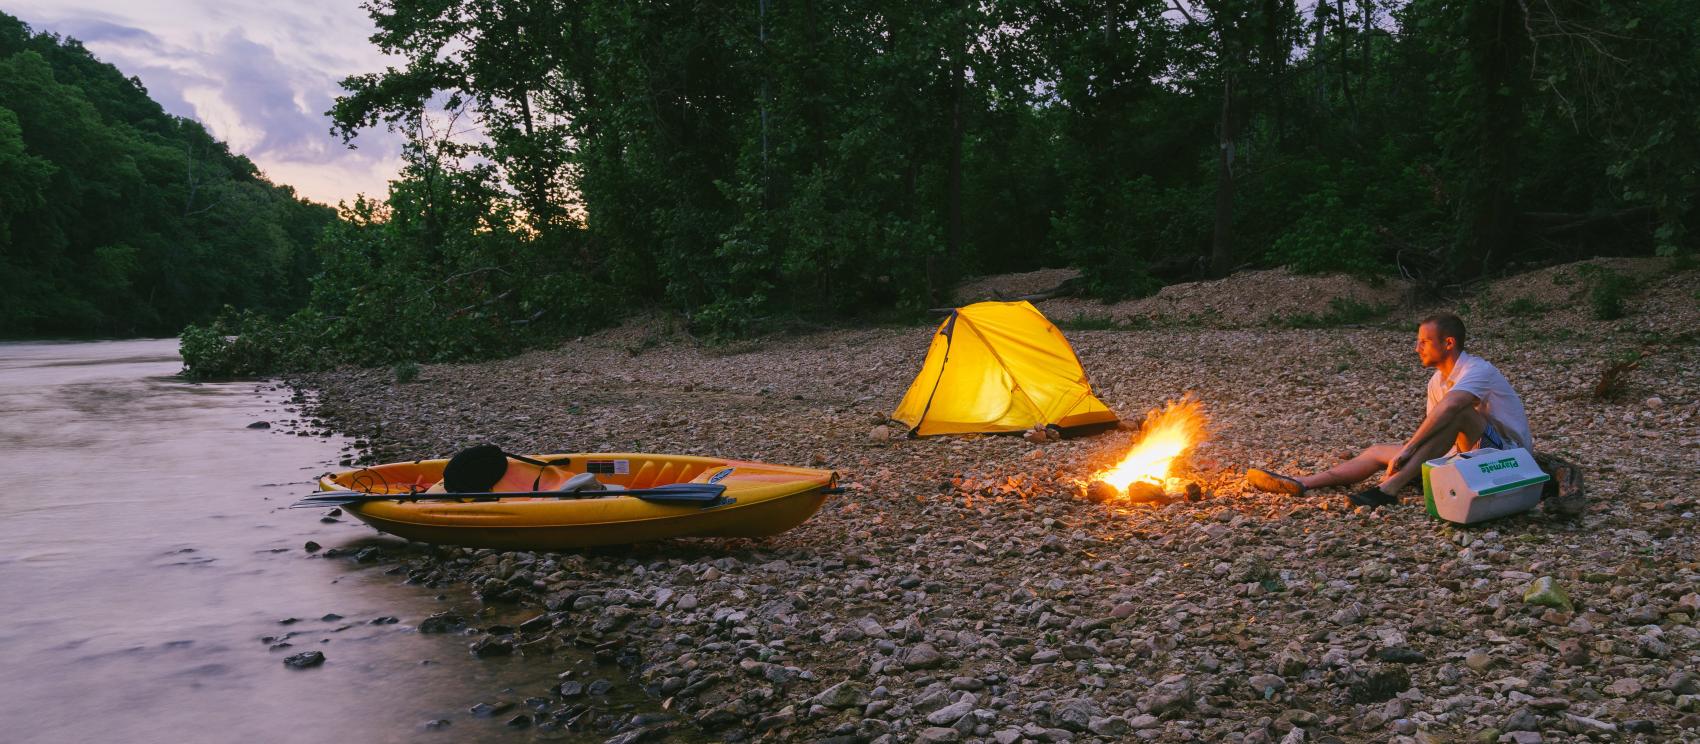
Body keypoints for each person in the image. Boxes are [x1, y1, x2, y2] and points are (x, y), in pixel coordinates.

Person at [1245, 312, 1533, 509]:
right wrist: (1407, 450)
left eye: (1424, 341)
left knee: (1458, 412)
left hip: (1507, 457)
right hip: (1464, 457)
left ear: (1448, 343)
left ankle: (1388, 490)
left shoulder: (1477, 369)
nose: (1416, 348)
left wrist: (1408, 450)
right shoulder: (1437, 381)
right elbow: (1438, 431)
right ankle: (1302, 483)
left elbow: (1452, 410)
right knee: (1375, 451)